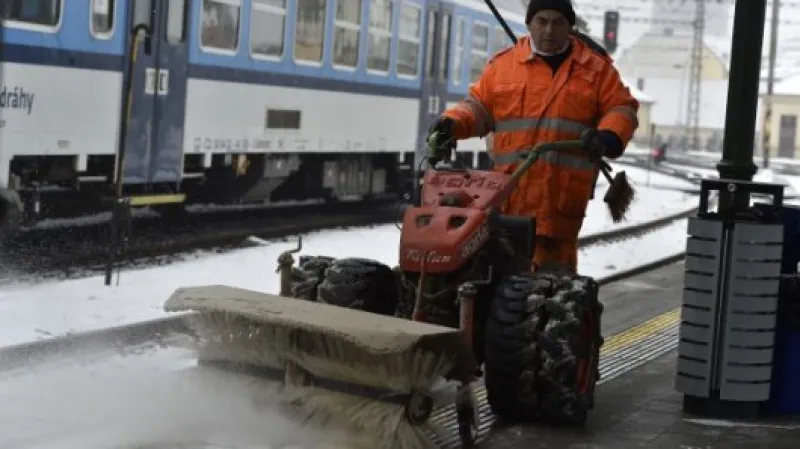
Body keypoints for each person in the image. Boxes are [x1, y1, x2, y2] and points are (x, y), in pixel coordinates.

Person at [426, 0, 639, 274]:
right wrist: (452, 124)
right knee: (500, 280)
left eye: (557, 22)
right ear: (529, 24)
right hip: (508, 200)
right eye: (542, 21)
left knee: (554, 286)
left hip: (560, 207)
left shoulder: (596, 70)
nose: (549, 30)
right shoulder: (503, 66)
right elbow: (478, 108)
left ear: (570, 26)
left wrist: (608, 137)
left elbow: (621, 108)